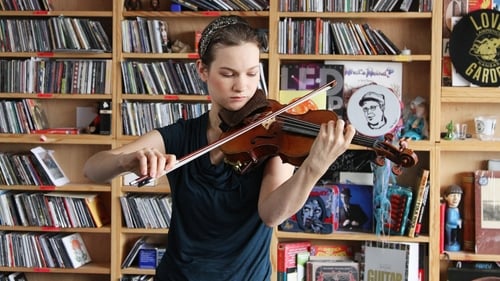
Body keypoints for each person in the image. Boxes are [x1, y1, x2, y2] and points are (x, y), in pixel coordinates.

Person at [83, 15, 355, 281]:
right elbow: (93, 169)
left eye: (251, 73)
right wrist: (127, 161)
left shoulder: (271, 136)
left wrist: (313, 168)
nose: (242, 86)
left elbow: (272, 215)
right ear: (202, 70)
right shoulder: (180, 135)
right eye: (228, 74)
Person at [445, 184, 463, 251]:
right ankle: (450, 243)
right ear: (446, 197)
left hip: (455, 227)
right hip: (450, 227)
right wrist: (458, 221)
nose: (456, 198)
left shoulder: (456, 209)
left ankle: (454, 243)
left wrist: (459, 221)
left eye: (458, 196)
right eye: (453, 196)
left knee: (455, 237)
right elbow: (450, 220)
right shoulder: (450, 210)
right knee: (451, 237)